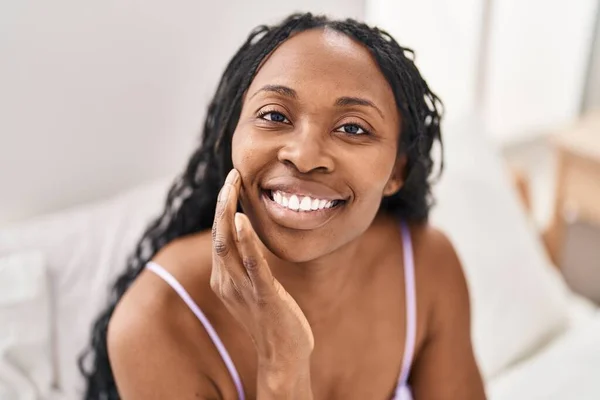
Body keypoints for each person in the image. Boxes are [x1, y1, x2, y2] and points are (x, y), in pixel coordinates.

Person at [79, 13, 486, 400]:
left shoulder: (427, 267)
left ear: (398, 170)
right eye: (274, 115)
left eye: (353, 127)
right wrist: (283, 363)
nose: (305, 156)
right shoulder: (157, 319)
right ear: (230, 137)